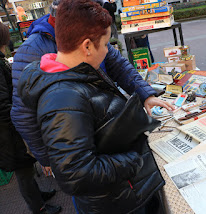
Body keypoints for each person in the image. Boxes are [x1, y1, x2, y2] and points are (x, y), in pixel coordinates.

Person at [18, 0, 166, 213]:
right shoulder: (64, 99)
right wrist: (132, 160)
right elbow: (76, 174)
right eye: (106, 45)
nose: (108, 51)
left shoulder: (76, 73)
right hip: (113, 201)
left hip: (121, 192)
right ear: (87, 46)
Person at [0, 22, 61, 214]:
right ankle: (38, 208)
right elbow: (3, 105)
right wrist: (22, 121)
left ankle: (38, 195)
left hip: (12, 129)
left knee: (27, 165)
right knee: (23, 172)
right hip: (9, 133)